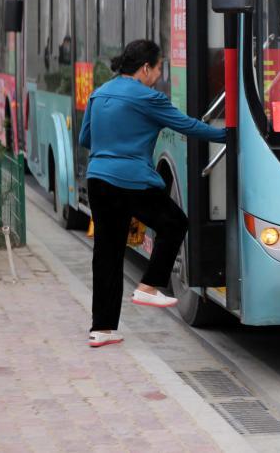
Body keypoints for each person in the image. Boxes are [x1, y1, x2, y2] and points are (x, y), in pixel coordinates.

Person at [78, 39, 226, 348]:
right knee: (174, 223)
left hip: (97, 179)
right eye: (159, 68)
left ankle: (101, 329)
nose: (159, 75)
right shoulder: (148, 98)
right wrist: (229, 134)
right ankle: (149, 285)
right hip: (130, 180)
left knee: (107, 253)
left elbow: (86, 137)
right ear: (145, 68)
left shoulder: (99, 93)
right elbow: (189, 126)